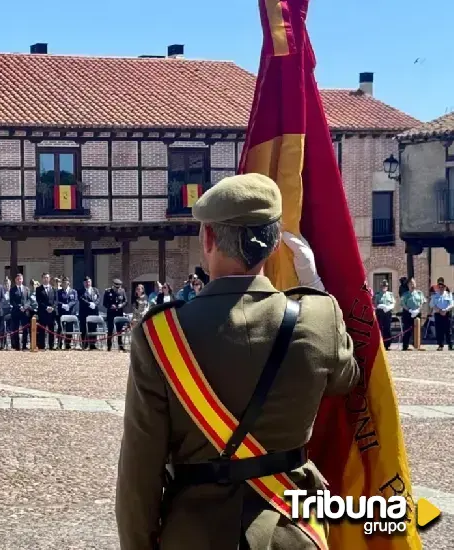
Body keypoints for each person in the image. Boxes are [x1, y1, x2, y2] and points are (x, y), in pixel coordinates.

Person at [115, 173, 359, 550]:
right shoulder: (319, 317)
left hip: (195, 535)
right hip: (291, 533)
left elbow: (139, 471)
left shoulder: (163, 334)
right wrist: (316, 284)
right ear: (276, 243)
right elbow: (347, 378)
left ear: (208, 238)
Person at [400, 277, 426, 351]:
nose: (412, 285)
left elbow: (422, 302)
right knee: (407, 330)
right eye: (410, 283)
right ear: (408, 285)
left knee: (418, 329)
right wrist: (410, 310)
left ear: (415, 284)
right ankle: (405, 346)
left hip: (417, 313)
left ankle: (417, 345)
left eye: (413, 283)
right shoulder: (405, 294)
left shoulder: (419, 293)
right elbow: (402, 304)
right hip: (408, 313)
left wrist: (418, 309)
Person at [104, 278, 127, 352]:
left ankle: (120, 346)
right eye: (116, 287)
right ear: (113, 285)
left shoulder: (122, 291)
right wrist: (110, 306)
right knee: (110, 329)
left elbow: (125, 301)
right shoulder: (107, 291)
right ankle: (109, 346)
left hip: (119, 313)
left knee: (119, 330)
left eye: (119, 287)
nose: (118, 289)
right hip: (111, 313)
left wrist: (122, 305)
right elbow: (104, 303)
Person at [8, 273, 30, 351]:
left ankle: (24, 345)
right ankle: (16, 346)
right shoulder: (12, 290)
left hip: (24, 312)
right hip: (16, 312)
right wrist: (19, 307)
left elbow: (28, 300)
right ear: (15, 280)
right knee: (15, 329)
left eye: (20, 279)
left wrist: (25, 307)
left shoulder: (26, 289)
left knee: (25, 329)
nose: (19, 280)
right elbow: (12, 301)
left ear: (22, 279)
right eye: (18, 279)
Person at [35, 272, 57, 350]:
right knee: (42, 330)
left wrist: (52, 307)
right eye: (44, 278)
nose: (46, 279)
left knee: (51, 329)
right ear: (42, 279)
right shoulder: (38, 289)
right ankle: (42, 345)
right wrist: (46, 308)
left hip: (51, 313)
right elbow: (39, 301)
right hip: (43, 312)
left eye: (47, 277)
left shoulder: (53, 289)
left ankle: (51, 346)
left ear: (49, 278)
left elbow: (55, 300)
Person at [430, 278, 453, 350]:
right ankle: (440, 345)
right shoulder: (434, 296)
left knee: (448, 330)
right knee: (439, 330)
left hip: (447, 314)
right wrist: (440, 311)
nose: (441, 288)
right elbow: (431, 305)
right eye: (439, 286)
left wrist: (445, 310)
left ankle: (450, 345)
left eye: (442, 286)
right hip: (438, 314)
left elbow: (452, 304)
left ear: (445, 287)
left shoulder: (449, 295)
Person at [56, 276, 78, 350]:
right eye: (63, 282)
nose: (64, 284)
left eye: (65, 282)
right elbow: (57, 301)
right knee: (60, 328)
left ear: (68, 283)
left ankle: (68, 343)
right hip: (62, 312)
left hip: (71, 312)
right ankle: (59, 343)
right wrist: (62, 305)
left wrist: (69, 305)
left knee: (69, 328)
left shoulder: (73, 291)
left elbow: (75, 300)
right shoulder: (59, 292)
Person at [373, 279, 396, 349]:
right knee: (380, 328)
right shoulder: (377, 294)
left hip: (388, 313)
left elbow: (393, 303)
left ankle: (387, 344)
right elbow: (375, 304)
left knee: (387, 328)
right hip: (380, 313)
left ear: (387, 287)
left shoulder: (390, 294)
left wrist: (389, 307)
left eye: (385, 286)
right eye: (383, 285)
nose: (384, 287)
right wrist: (380, 306)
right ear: (381, 286)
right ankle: (380, 344)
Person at [78, 276, 100, 350]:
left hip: (94, 312)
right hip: (84, 312)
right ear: (83, 283)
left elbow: (98, 298)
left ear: (91, 282)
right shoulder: (80, 291)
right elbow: (81, 299)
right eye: (86, 282)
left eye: (89, 282)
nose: (88, 283)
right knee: (83, 328)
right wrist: (89, 304)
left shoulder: (95, 290)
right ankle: (84, 344)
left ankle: (93, 344)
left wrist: (95, 304)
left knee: (93, 328)